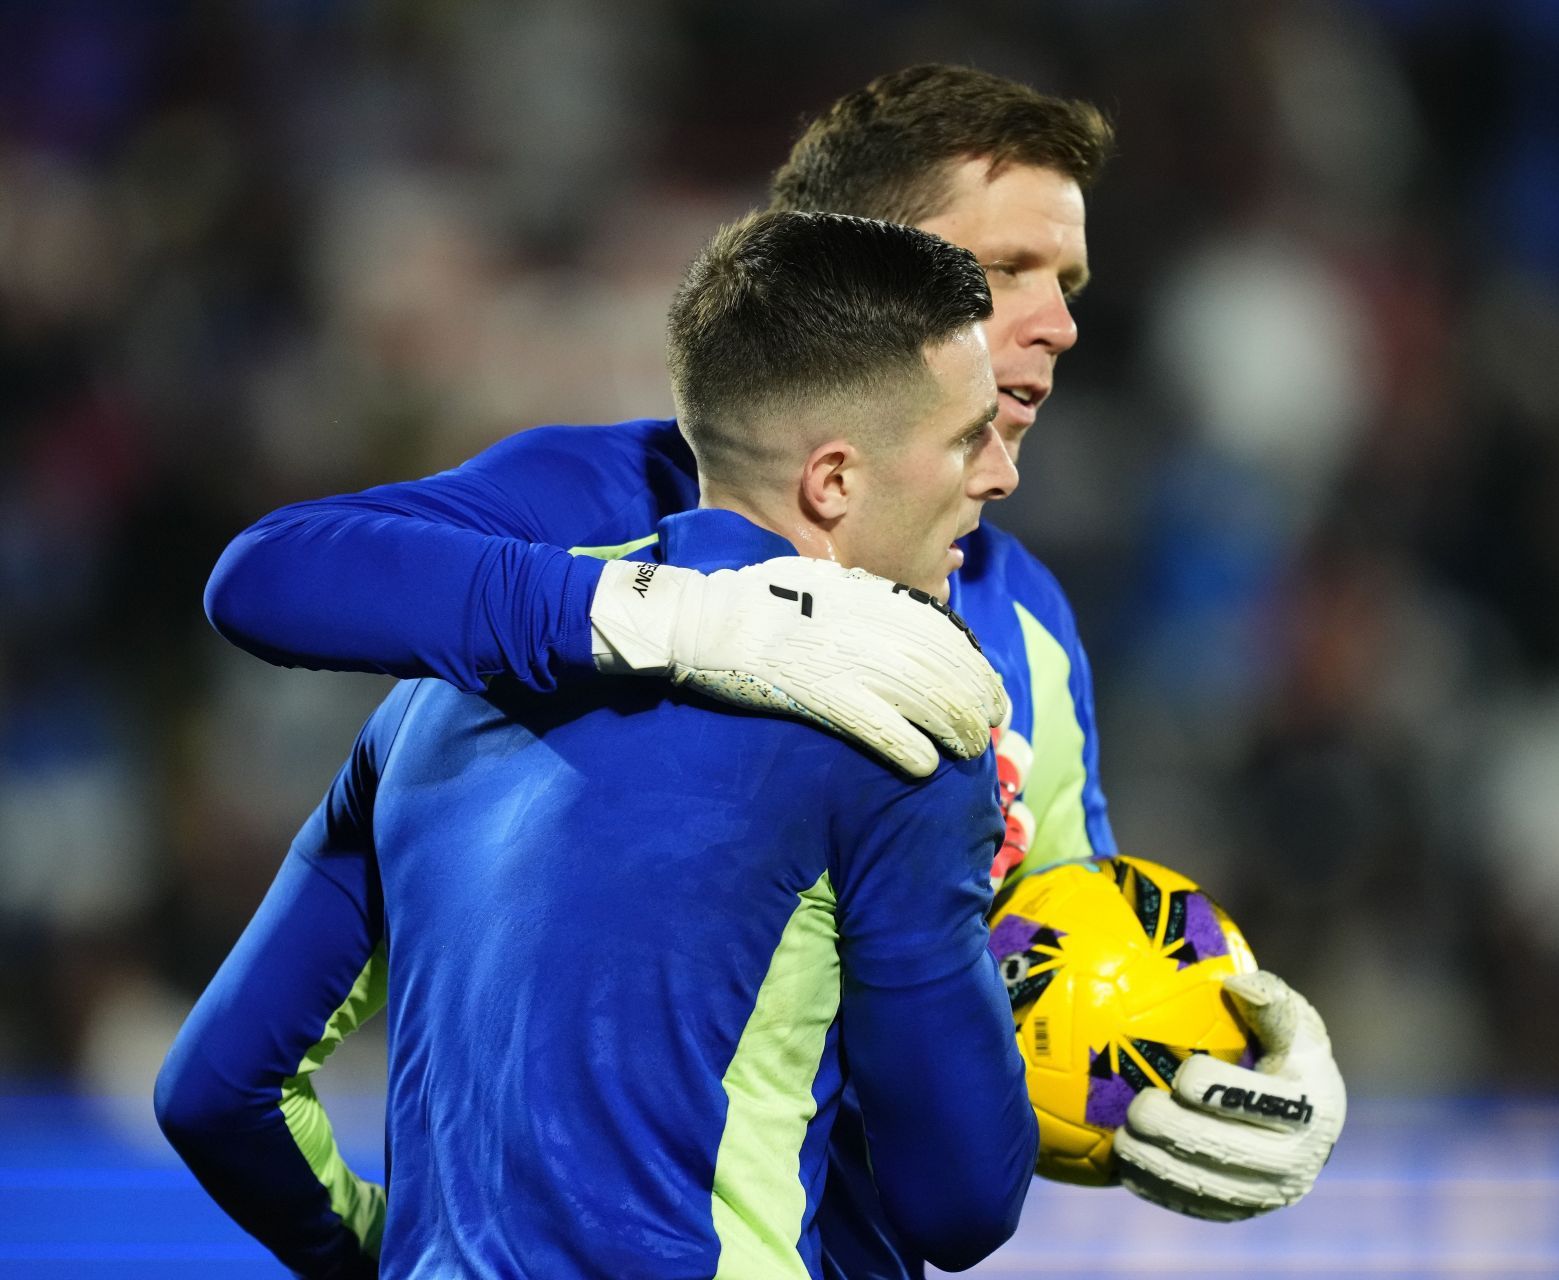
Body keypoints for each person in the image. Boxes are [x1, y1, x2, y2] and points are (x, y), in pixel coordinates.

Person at [199, 65, 1345, 1242]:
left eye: (1069, 279)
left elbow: (1039, 982)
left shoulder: (1031, 622)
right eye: (1004, 272)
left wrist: (1199, 1067)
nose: (1057, 320)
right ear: (863, 277)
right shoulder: (609, 493)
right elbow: (272, 574)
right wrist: (676, 616)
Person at [155, 210, 1038, 1279]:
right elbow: (959, 1204)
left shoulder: (428, 706)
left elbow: (215, 1090)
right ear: (834, 480)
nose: (1000, 474)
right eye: (966, 436)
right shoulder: (892, 735)